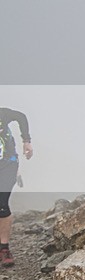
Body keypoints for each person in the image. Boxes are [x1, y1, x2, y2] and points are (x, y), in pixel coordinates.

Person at [0, 107, 33, 267]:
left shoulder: (2, 113)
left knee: (2, 204)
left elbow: (21, 116)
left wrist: (26, 141)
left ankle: (4, 248)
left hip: (7, 164)